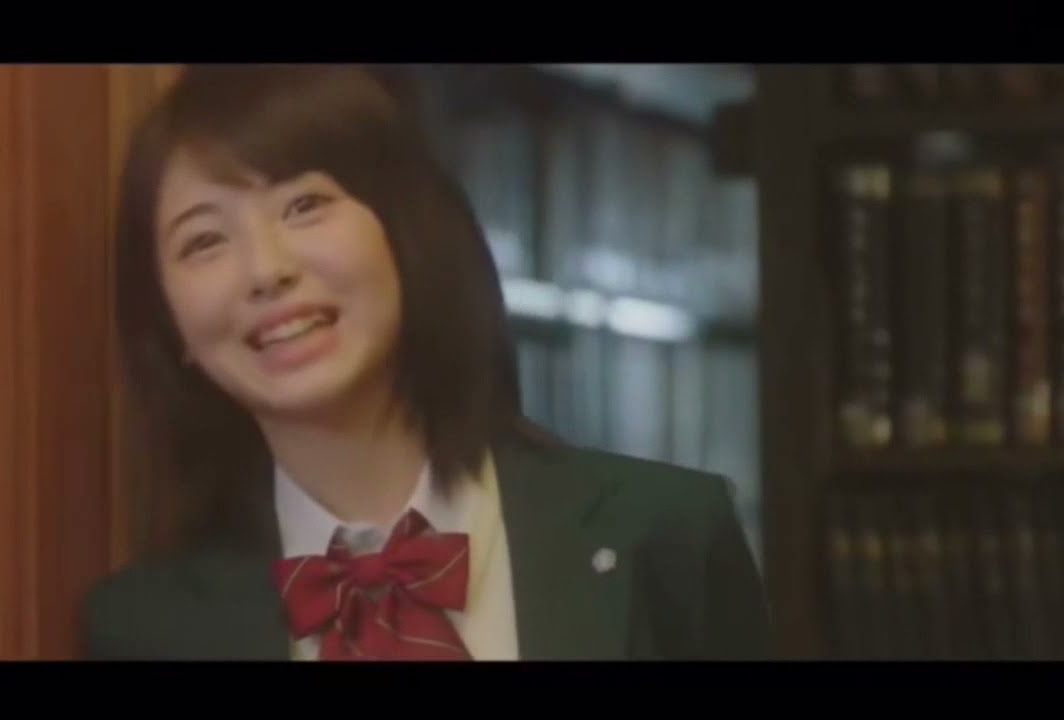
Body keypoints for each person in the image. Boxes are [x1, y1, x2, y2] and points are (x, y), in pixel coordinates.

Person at [81, 64, 772, 661]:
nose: (266, 270)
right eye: (204, 241)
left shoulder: (666, 538)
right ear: (169, 323)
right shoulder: (145, 630)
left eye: (304, 204)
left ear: (405, 232)